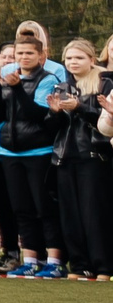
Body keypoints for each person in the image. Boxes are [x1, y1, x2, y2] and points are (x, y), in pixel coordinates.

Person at [0, 24, 69, 278]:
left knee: (44, 207)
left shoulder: (48, 80)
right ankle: (31, 258)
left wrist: (17, 89)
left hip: (38, 151)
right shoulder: (9, 78)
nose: (23, 58)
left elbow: (38, 116)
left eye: (29, 54)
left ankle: (55, 261)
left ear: (42, 57)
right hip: (10, 153)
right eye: (19, 53)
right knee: (21, 208)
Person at [52, 40, 113, 280]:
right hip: (65, 157)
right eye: (68, 59)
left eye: (78, 58)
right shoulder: (62, 85)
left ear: (91, 59)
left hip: (94, 156)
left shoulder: (105, 83)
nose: (72, 63)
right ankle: (79, 265)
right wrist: (52, 112)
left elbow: (105, 120)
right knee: (70, 215)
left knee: (95, 214)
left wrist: (79, 106)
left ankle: (104, 266)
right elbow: (52, 128)